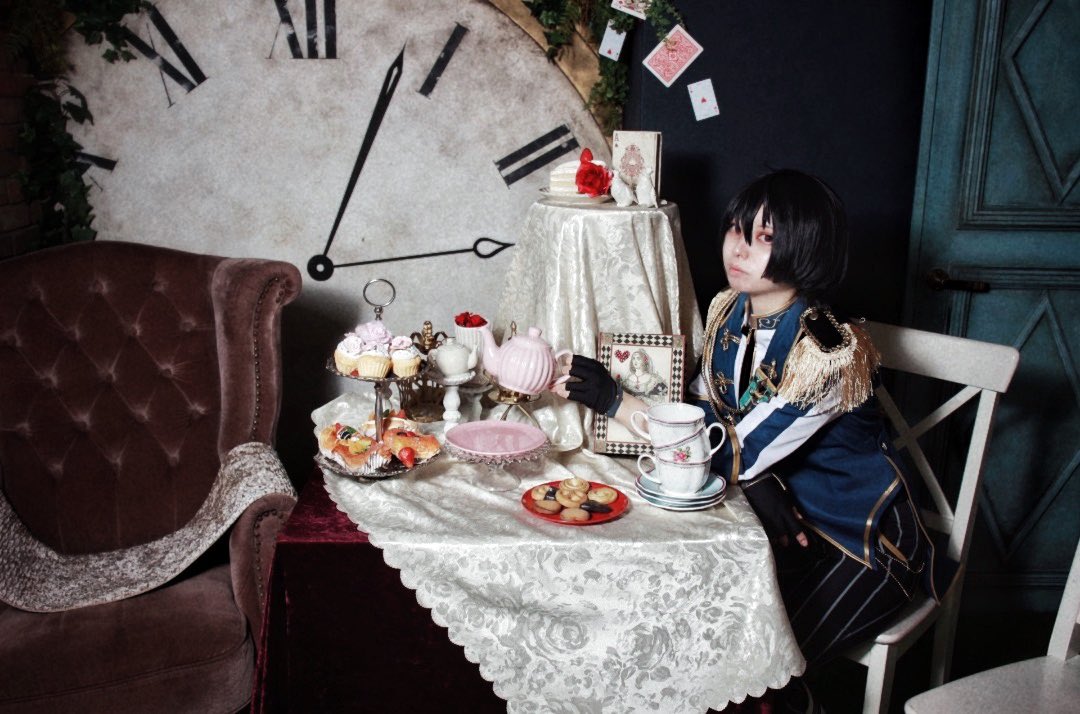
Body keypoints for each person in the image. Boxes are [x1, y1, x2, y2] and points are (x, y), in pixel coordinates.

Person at [557, 169, 956, 713]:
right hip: (775, 525)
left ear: (806, 246)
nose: (738, 249)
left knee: (752, 663)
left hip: (859, 542)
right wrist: (753, 477)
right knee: (679, 623)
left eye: (764, 237)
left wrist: (616, 402)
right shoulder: (730, 310)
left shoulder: (827, 351)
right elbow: (706, 410)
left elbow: (731, 450)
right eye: (736, 230)